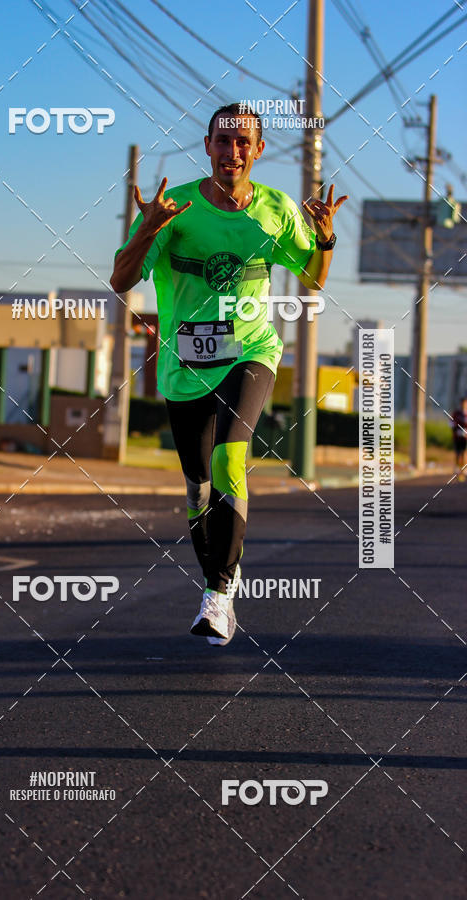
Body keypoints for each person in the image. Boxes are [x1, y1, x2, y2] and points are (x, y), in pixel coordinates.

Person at [110, 102, 347, 646]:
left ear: (259, 150)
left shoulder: (276, 209)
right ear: (208, 146)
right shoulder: (178, 207)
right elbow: (122, 281)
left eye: (244, 142)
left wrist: (326, 240)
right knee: (197, 487)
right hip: (184, 364)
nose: (232, 151)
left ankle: (217, 597)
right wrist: (148, 231)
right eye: (223, 141)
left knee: (230, 456)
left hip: (251, 351)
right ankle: (220, 575)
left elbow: (311, 279)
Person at [450, 397, 467, 481]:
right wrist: (456, 430)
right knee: (457, 453)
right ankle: (457, 468)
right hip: (457, 437)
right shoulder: (456, 413)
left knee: (464, 453)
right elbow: (451, 423)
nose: (464, 405)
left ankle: (463, 470)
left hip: (465, 438)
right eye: (462, 403)